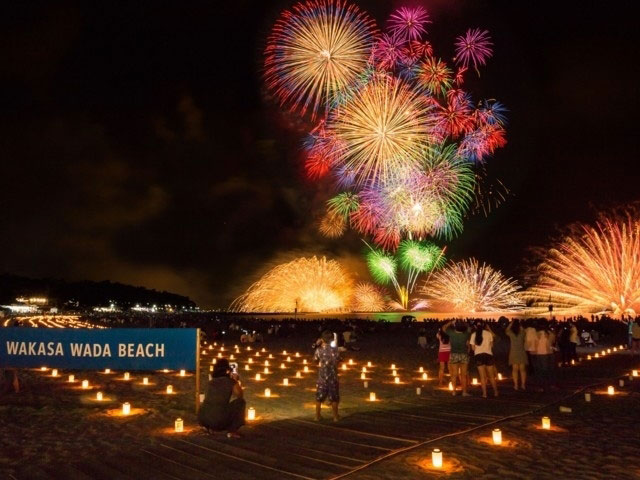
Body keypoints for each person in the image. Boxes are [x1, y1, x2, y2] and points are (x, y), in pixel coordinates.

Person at [198, 358, 245, 438]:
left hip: (202, 418)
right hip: (219, 421)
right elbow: (240, 395)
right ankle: (232, 431)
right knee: (240, 402)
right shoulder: (230, 381)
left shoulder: (210, 382)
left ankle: (207, 428)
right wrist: (235, 381)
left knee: (212, 404)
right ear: (227, 370)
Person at [314, 330, 341, 421]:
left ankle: (317, 416)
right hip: (333, 377)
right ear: (332, 340)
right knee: (334, 398)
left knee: (319, 397)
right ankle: (335, 416)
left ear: (322, 339)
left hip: (322, 376)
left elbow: (315, 360)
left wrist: (317, 345)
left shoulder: (319, 350)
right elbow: (339, 359)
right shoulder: (335, 349)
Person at [469, 321, 499, 398]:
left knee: (482, 376)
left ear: (475, 326)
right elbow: (492, 345)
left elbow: (472, 348)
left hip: (478, 356)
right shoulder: (488, 334)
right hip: (488, 355)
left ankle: (484, 393)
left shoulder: (473, 335)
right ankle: (495, 392)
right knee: (491, 376)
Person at [443, 320, 471, 396]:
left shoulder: (451, 333)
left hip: (454, 354)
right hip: (463, 355)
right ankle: (464, 392)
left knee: (454, 374)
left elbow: (444, 328)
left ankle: (454, 391)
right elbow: (469, 328)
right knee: (463, 375)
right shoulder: (466, 334)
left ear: (455, 326)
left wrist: (450, 322)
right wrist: (464, 323)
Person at [533, 319, 556, 392]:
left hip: (540, 353)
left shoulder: (537, 334)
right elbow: (553, 342)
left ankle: (542, 386)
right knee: (550, 370)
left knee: (541, 371)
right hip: (550, 353)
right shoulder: (550, 333)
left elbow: (534, 344)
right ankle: (551, 384)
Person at [505, 319, 527, 391]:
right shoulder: (522, 333)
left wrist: (511, 323)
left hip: (513, 352)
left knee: (514, 370)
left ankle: (516, 385)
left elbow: (506, 330)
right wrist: (520, 324)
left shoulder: (511, 333)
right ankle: (523, 385)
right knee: (522, 370)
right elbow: (523, 330)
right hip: (521, 352)